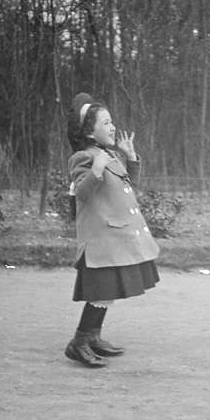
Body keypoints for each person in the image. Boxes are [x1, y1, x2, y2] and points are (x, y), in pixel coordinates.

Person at [64, 93, 160, 368]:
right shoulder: (83, 157)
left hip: (115, 238)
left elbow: (127, 187)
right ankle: (79, 343)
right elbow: (82, 194)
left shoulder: (111, 155)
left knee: (107, 294)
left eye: (111, 121)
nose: (112, 127)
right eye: (105, 123)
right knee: (101, 294)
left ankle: (92, 337)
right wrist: (95, 168)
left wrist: (131, 159)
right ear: (89, 131)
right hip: (100, 241)